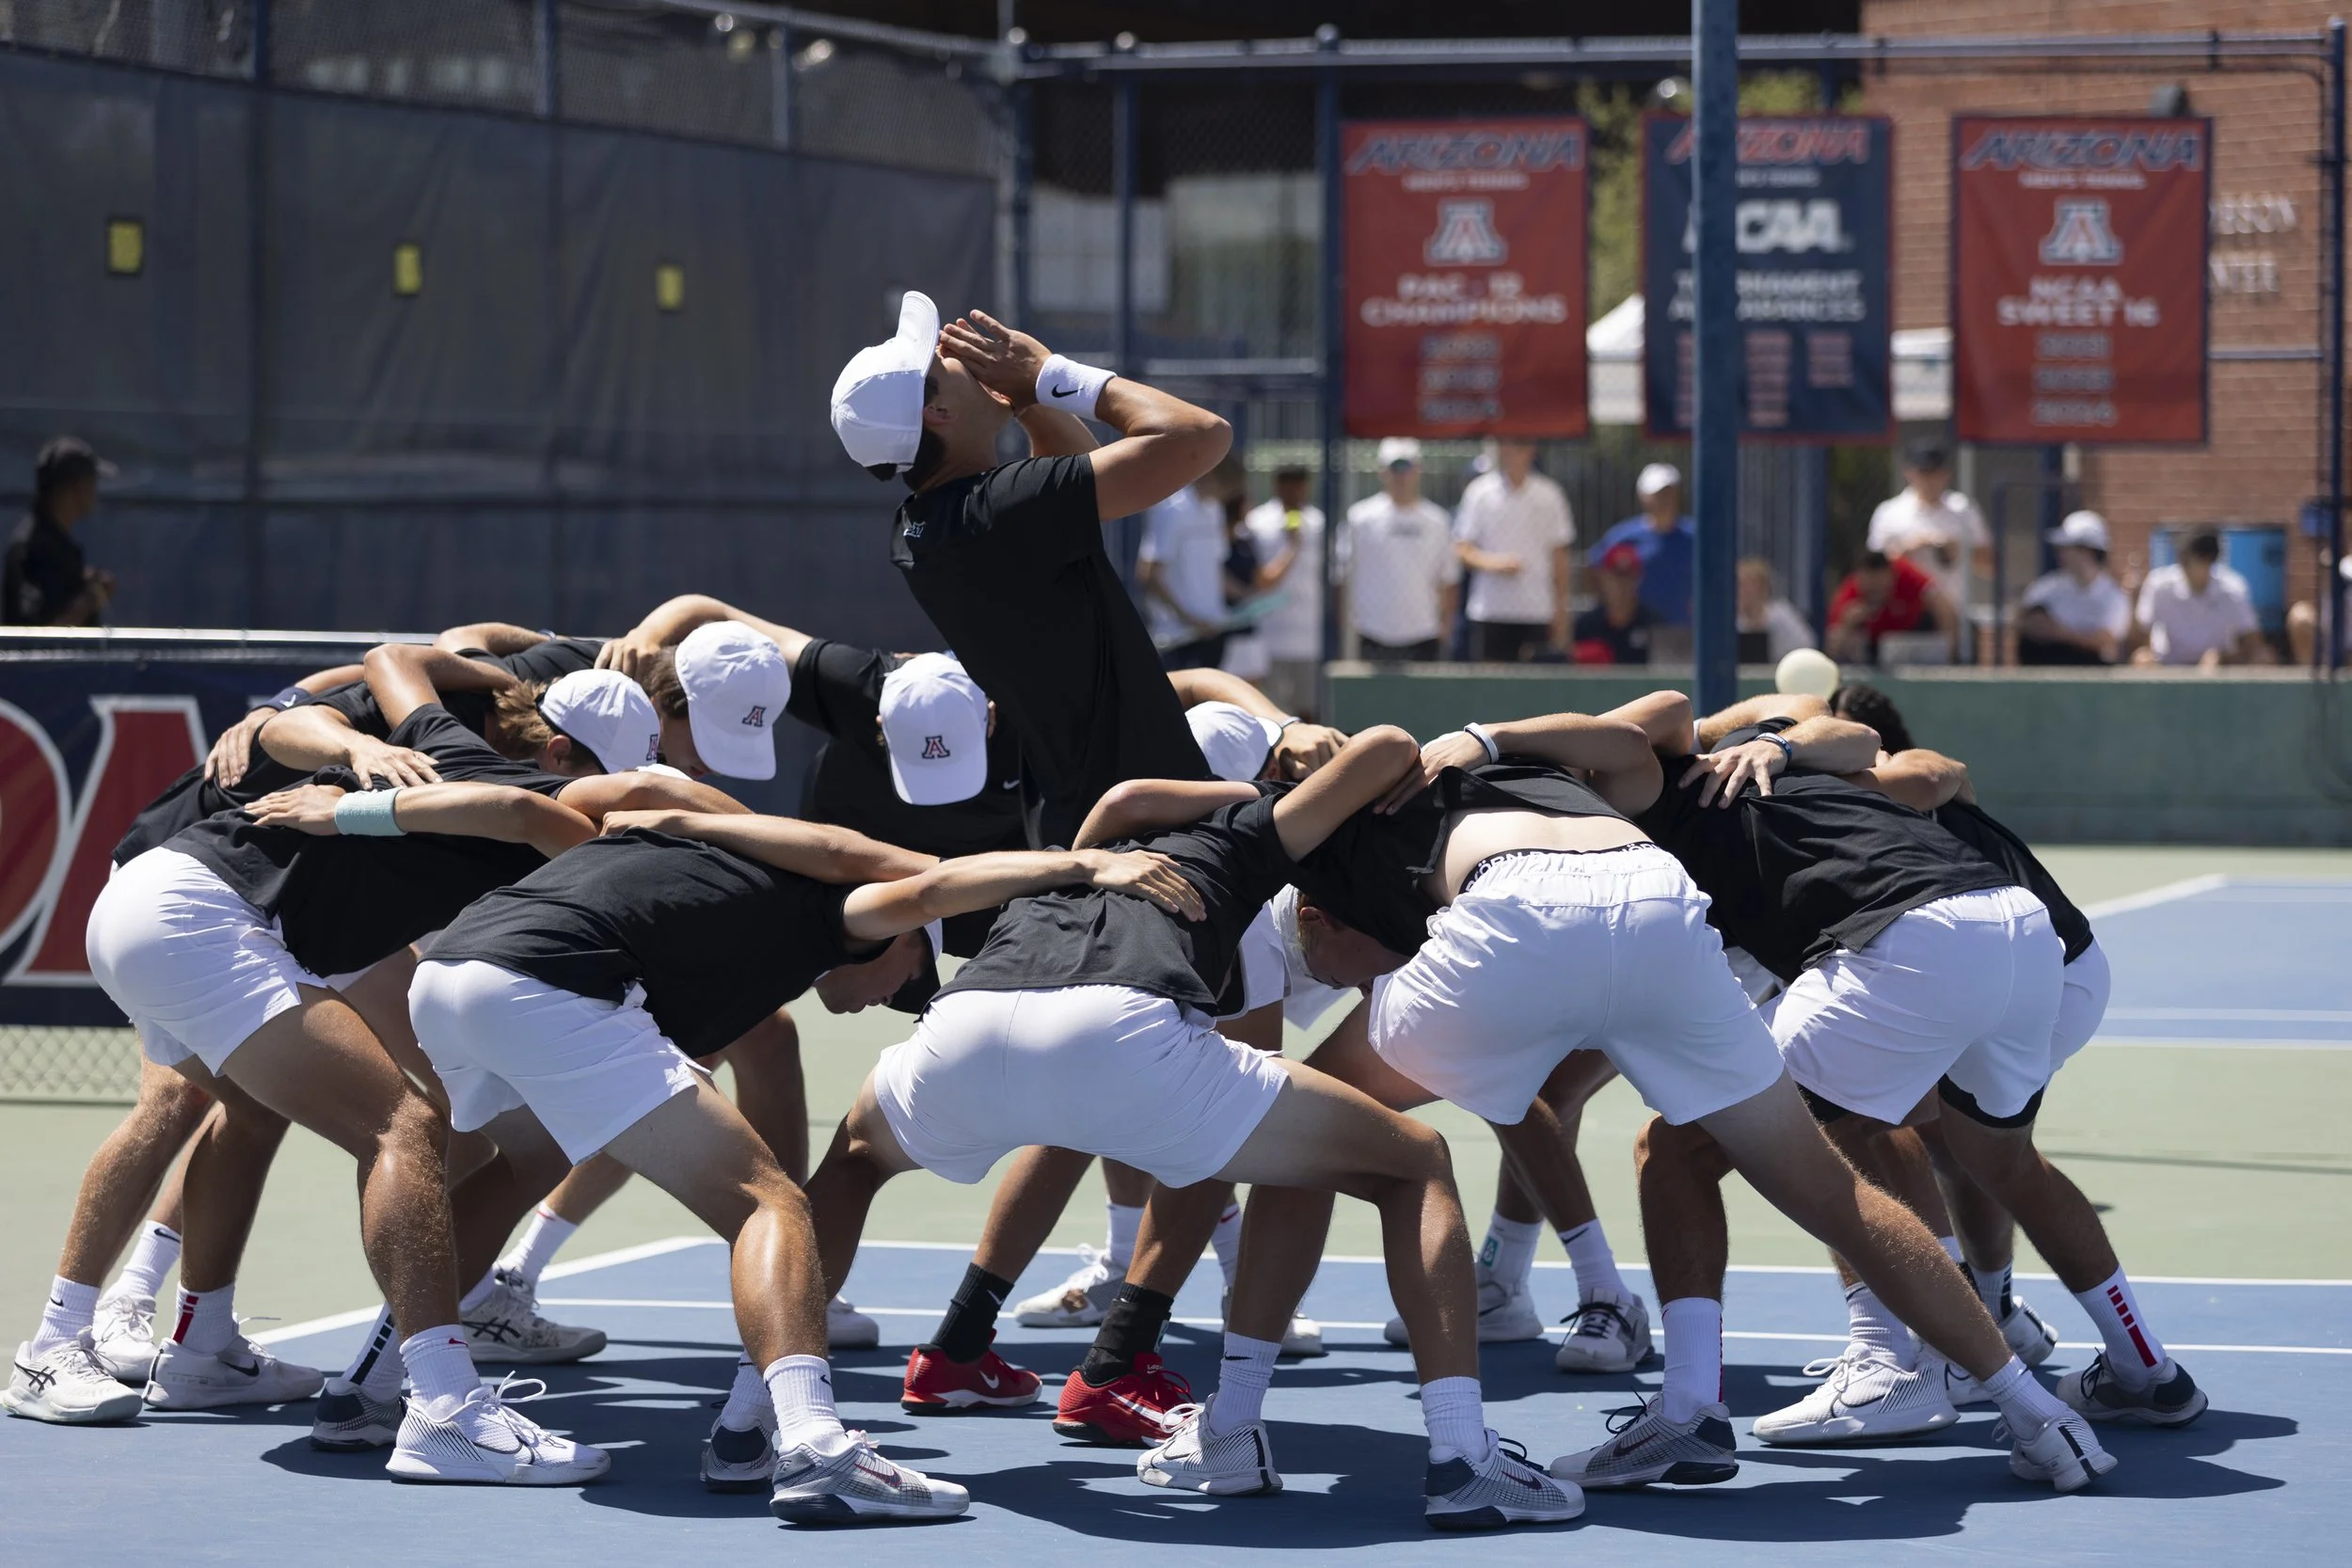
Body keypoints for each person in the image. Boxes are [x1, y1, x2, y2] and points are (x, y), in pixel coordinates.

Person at [1216, 703, 2112, 1496]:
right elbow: (1633, 726)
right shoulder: (1535, 767)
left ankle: (1237, 1422)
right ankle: (2029, 1409)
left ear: (1316, 917)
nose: (1335, 986)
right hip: (1657, 899)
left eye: (1321, 970)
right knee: (1801, 1179)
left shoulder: (1319, 842)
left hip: (1515, 909)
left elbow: (1273, 811)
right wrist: (1490, 733)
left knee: (1321, 1132)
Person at [788, 726, 1582, 1528]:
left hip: (965, 1019)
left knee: (851, 1164)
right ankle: (1460, 1457)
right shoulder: (1241, 835)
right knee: (1416, 1161)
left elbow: (1123, 799)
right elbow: (1384, 746)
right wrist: (1268, 787)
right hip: (1116, 1025)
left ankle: (776, 1424)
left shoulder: (1083, 848)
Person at [412, 803, 1200, 1523]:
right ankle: (814, 1442)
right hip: (543, 983)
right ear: (894, 941)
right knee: (773, 1206)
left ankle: (393, 1385)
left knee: (523, 1163)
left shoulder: (728, 899)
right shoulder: (832, 913)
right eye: (908, 984)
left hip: (449, 969)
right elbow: (926, 886)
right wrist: (1084, 864)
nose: (889, 1000)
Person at [1774, 689, 2206, 1432]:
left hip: (2029, 964)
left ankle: (1944, 1355)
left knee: (1862, 1119)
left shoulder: (1885, 781)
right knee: (1982, 1152)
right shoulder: (1875, 800)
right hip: (2056, 961)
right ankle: (2133, 1363)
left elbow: (1936, 771)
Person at [830, 293, 1215, 850]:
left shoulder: (921, 525)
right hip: (1147, 825)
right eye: (941, 362)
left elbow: (1067, 471)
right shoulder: (1004, 509)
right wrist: (1052, 375)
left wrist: (1028, 398)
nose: (956, 355)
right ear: (936, 413)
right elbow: (1199, 437)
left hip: (1082, 814)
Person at [1338, 437, 1459, 661]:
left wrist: (1445, 626)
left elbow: (1448, 579)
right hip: (1372, 632)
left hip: (1424, 633)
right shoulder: (1360, 518)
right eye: (1395, 467)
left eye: (1407, 467)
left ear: (1418, 470)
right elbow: (1343, 575)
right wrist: (1347, 625)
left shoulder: (1437, 521)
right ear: (1382, 471)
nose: (1401, 476)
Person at [1452, 437, 1573, 661]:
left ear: (1531, 449)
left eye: (1518, 443)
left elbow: (1560, 558)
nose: (1509, 450)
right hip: (1489, 611)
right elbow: (1462, 549)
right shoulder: (1478, 492)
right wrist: (1495, 564)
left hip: (1537, 612)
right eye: (1504, 443)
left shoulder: (1551, 494)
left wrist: (1561, 615)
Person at [1867, 442, 1991, 621]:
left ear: (1946, 474)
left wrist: (1959, 549)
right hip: (1903, 614)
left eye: (1935, 473)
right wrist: (1906, 549)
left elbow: (1989, 565)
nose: (1930, 480)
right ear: (1908, 472)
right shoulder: (1889, 512)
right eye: (1923, 473)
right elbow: (1872, 570)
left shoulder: (1964, 509)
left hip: (1954, 611)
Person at [1239, 464, 1325, 716]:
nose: (1294, 491)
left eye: (1299, 484)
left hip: (1310, 635)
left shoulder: (1319, 523)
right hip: (1269, 635)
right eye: (1287, 484)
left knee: (1309, 709)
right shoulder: (1257, 523)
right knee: (1272, 710)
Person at [6, 436, 116, 626]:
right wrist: (90, 599)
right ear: (76, 487)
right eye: (92, 482)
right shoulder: (31, 550)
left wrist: (78, 580)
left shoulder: (56, 545)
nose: (95, 492)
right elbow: (36, 637)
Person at [1137, 469, 1234, 670]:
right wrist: (1190, 620)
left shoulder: (1215, 509)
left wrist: (1249, 594)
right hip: (1176, 640)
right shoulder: (1172, 510)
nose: (1228, 495)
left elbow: (1215, 570)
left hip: (1213, 633)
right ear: (1210, 477)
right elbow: (1149, 575)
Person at [2133, 528, 2267, 668]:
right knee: (2141, 659)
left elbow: (2252, 641)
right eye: (2181, 558)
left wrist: (2222, 658)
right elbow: (2140, 635)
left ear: (2208, 560)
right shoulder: (2158, 585)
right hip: (2166, 666)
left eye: (2188, 559)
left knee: (2264, 659)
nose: (2182, 564)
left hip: (2218, 672)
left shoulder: (2233, 588)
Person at [2017, 511, 2131, 666]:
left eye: (2068, 547)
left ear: (2087, 551)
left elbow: (2105, 642)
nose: (2061, 553)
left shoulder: (2113, 596)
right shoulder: (2047, 587)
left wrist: (2059, 633)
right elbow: (2026, 622)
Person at [1590, 462, 1695, 626]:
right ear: (1643, 496)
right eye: (1657, 493)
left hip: (1685, 630)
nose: (1664, 499)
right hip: (1639, 633)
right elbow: (1598, 570)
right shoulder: (1622, 538)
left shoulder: (1695, 538)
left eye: (1668, 492)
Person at [1827, 550, 1958, 665]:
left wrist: (1948, 652)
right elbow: (1832, 648)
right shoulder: (1848, 597)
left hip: (1914, 636)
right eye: (1871, 590)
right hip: (1872, 652)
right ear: (1859, 580)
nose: (1876, 594)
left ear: (1891, 575)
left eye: (1880, 589)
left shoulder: (1906, 573)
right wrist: (1847, 625)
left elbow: (1942, 605)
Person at [1570, 542, 1655, 666]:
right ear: (1603, 578)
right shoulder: (1586, 626)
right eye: (1616, 576)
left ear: (1638, 578)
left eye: (1627, 576)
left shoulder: (1653, 624)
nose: (1621, 584)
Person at [1738, 557, 1816, 664]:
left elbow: (1807, 646)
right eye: (1738, 585)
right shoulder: (1734, 622)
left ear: (1761, 588)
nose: (1740, 591)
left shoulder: (1782, 615)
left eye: (1745, 586)